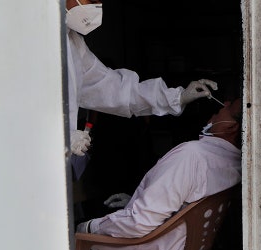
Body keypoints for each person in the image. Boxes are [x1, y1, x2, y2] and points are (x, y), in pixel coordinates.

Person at [75, 97, 243, 250]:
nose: (223, 104)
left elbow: (139, 222)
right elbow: (183, 208)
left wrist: (89, 227)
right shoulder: (233, 163)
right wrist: (137, 200)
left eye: (229, 106)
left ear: (231, 127)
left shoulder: (191, 156)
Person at [64, 0, 217, 156]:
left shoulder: (71, 43)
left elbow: (115, 89)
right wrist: (62, 138)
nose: (95, 7)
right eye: (91, 1)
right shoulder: (40, 36)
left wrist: (177, 97)